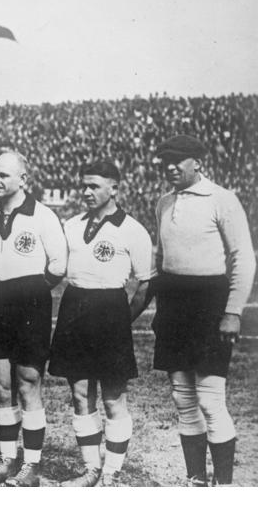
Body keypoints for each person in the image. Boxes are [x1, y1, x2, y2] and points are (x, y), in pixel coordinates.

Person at [151, 135, 255, 486]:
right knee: (183, 397)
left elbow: (243, 256)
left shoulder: (222, 199)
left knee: (210, 398)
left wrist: (233, 310)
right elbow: (160, 257)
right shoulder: (164, 202)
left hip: (210, 302)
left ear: (197, 162)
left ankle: (223, 488)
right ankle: (195, 481)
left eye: (178, 159)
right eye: (165, 159)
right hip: (173, 301)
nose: (170, 166)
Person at [48, 161, 153, 487]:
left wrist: (123, 319)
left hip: (110, 310)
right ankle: (91, 468)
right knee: (81, 395)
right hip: (74, 307)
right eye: (84, 185)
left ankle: (111, 472)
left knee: (112, 398)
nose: (87, 192)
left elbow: (146, 284)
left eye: (94, 186)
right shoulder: (71, 225)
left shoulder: (133, 230)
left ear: (114, 189)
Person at [0, 151, 67, 488]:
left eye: (4, 176)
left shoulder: (43, 216)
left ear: (23, 180)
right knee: (1, 385)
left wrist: (33, 294)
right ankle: (5, 459)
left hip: (30, 303)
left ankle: (31, 466)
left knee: (28, 382)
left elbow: (58, 265)